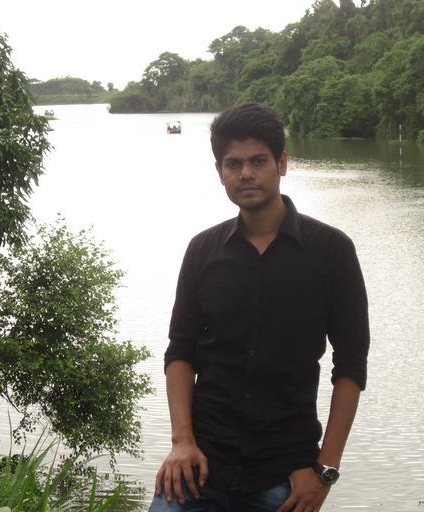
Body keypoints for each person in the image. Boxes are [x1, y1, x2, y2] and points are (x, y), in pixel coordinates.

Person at [149, 102, 370, 512]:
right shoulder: (203, 251)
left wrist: (325, 470)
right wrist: (182, 441)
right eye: (233, 164)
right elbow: (180, 351)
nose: (246, 174)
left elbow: (351, 365)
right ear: (220, 172)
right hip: (199, 469)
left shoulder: (331, 251)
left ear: (281, 163)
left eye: (258, 161)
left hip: (285, 478)